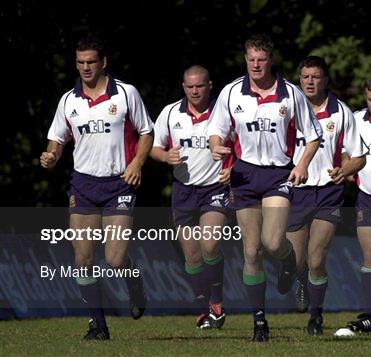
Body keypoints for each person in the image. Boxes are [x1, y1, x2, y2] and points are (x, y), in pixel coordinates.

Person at [207, 33, 323, 342]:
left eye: (261, 59)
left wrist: (301, 165)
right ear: (245, 60)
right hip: (244, 176)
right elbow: (216, 132)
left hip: (277, 175)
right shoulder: (232, 92)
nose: (256, 65)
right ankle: (259, 320)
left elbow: (313, 136)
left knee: (272, 242)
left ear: (270, 60)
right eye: (251, 60)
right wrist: (217, 147)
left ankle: (287, 261)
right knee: (251, 250)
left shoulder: (291, 94)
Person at [40, 36, 153, 340]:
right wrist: (51, 155)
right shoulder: (69, 100)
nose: (85, 67)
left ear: (103, 62)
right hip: (84, 184)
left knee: (115, 259)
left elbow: (146, 132)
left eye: (91, 61)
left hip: (120, 183)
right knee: (83, 258)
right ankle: (98, 326)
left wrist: (137, 163)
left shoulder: (126, 93)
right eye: (80, 62)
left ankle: (134, 282)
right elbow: (58, 139)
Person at [285, 56, 365, 336]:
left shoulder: (341, 112)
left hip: (328, 194)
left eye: (316, 76)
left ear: (325, 79)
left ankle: (316, 316)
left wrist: (345, 170)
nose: (310, 81)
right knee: (296, 261)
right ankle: (302, 282)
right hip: (294, 193)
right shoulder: (289, 109)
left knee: (317, 258)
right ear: (299, 78)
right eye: (305, 76)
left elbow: (359, 158)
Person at [150, 65, 232, 329]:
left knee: (209, 244)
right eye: (189, 86)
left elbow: (244, 144)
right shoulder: (171, 112)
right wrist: (165, 156)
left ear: (210, 86)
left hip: (214, 189)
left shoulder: (224, 110)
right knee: (193, 259)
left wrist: (232, 167)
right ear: (183, 87)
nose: (194, 91)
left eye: (200, 86)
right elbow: (153, 147)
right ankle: (206, 308)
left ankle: (217, 304)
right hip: (184, 190)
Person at [334, 74, 371, 336]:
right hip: (368, 198)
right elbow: (346, 149)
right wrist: (346, 166)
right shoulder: (356, 120)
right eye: (370, 99)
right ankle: (369, 316)